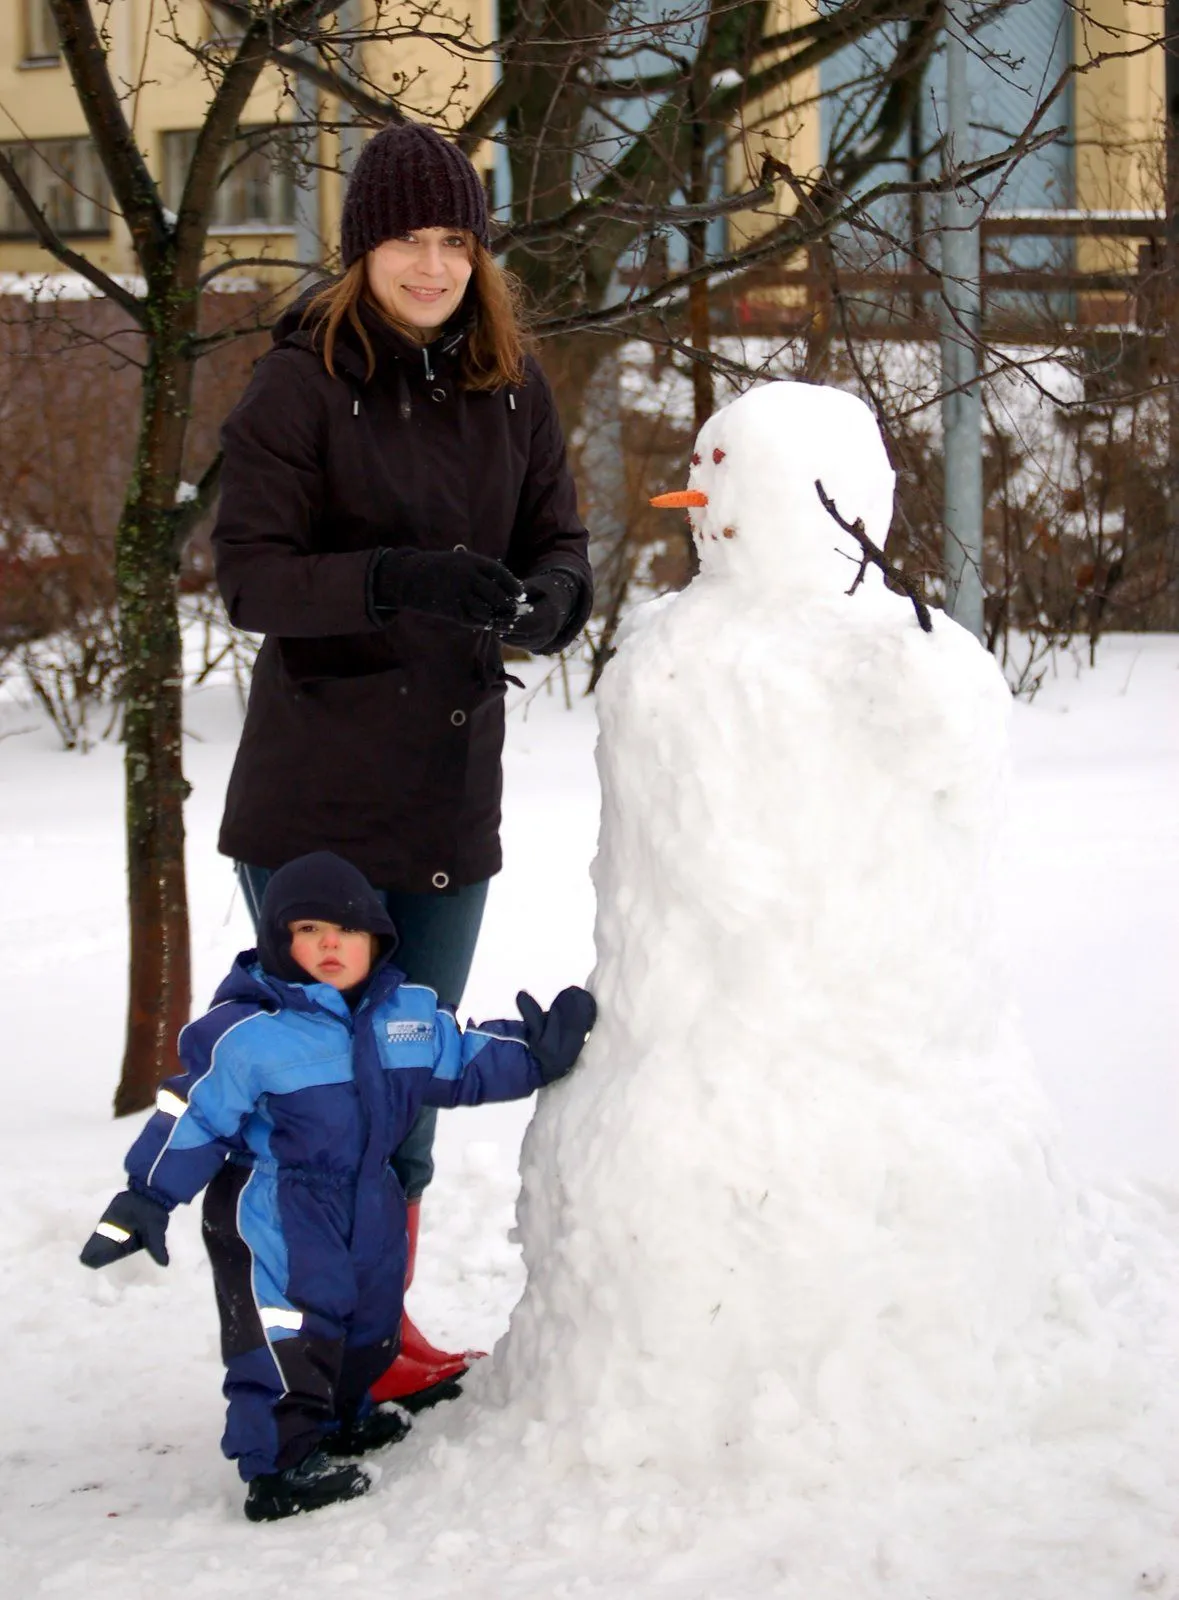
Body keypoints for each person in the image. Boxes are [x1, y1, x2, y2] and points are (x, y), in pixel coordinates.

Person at [210, 120, 593, 1407]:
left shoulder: (511, 381)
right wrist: (394, 578)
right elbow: (250, 578)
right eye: (404, 241)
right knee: (326, 1104)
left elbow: (564, 537)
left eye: (452, 241)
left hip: (447, 795)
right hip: (320, 807)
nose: (431, 266)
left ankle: (380, 1327)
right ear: (360, 248)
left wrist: (552, 599)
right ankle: (315, 1357)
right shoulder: (301, 384)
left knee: (409, 1084)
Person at [80, 852, 597, 1523]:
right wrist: (146, 1197)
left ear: (376, 941)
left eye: (348, 931)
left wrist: (534, 1055)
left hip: (367, 1197)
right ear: (278, 942)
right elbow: (195, 1114)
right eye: (309, 929)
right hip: (275, 1204)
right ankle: (279, 1467)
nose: (330, 943)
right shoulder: (249, 1035)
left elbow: (463, 1058)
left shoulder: (405, 1015)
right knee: (290, 1330)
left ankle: (340, 1421)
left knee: (367, 1321)